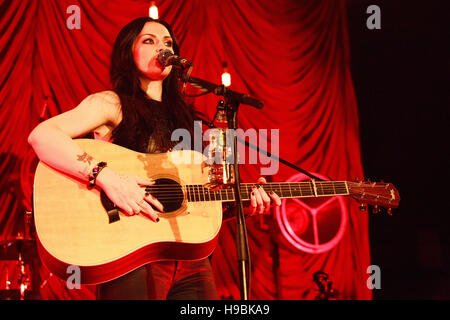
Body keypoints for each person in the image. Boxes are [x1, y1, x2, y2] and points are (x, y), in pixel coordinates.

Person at [28, 17, 281, 300]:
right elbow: (43, 136)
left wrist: (243, 202)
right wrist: (107, 177)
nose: (162, 47)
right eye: (149, 41)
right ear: (128, 52)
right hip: (131, 253)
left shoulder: (188, 119)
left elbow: (196, 200)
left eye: (168, 42)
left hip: (191, 261)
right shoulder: (111, 103)